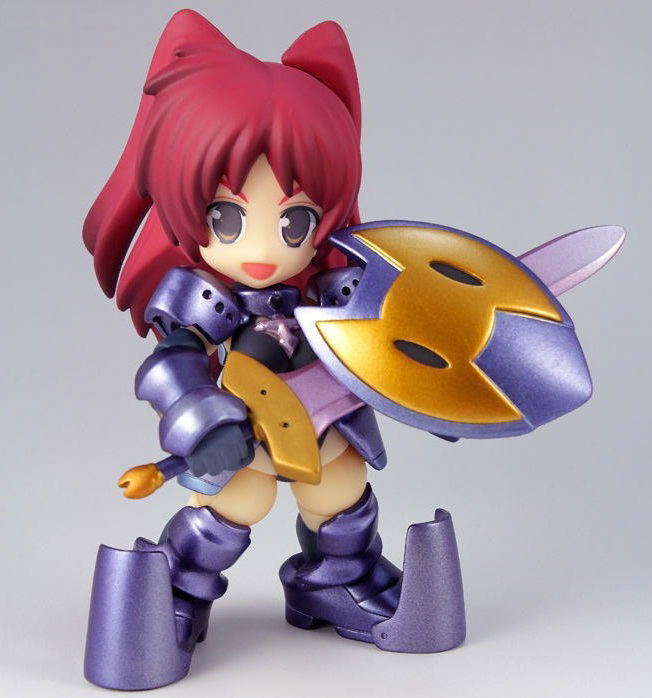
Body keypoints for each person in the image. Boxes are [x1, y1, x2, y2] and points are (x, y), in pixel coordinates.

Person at [83, 10, 465, 691]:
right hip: (246, 428)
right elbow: (172, 362)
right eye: (227, 218)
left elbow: (380, 338)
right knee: (234, 508)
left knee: (342, 495)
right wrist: (203, 421)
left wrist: (431, 383)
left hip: (326, 424)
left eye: (295, 222)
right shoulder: (203, 296)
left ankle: (336, 582)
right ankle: (178, 591)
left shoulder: (331, 285)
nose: (263, 249)